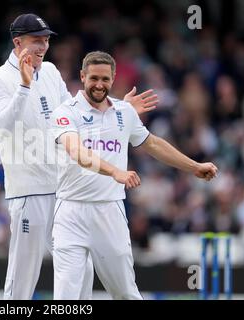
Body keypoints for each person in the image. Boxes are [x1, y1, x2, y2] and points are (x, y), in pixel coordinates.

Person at [0, 14, 158, 299]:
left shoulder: (50, 71)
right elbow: (2, 124)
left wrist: (118, 109)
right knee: (23, 275)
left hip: (65, 190)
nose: (43, 46)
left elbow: (76, 112)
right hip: (28, 191)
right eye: (36, 41)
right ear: (17, 42)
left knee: (80, 273)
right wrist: (24, 86)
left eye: (46, 40)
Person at [51, 51, 218, 300]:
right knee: (66, 299)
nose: (99, 84)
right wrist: (115, 171)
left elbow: (153, 144)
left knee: (125, 293)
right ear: (82, 76)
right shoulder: (65, 112)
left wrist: (194, 166)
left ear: (114, 78)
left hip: (109, 212)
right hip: (70, 213)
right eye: (93, 78)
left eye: (105, 79)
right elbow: (77, 152)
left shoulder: (124, 112)